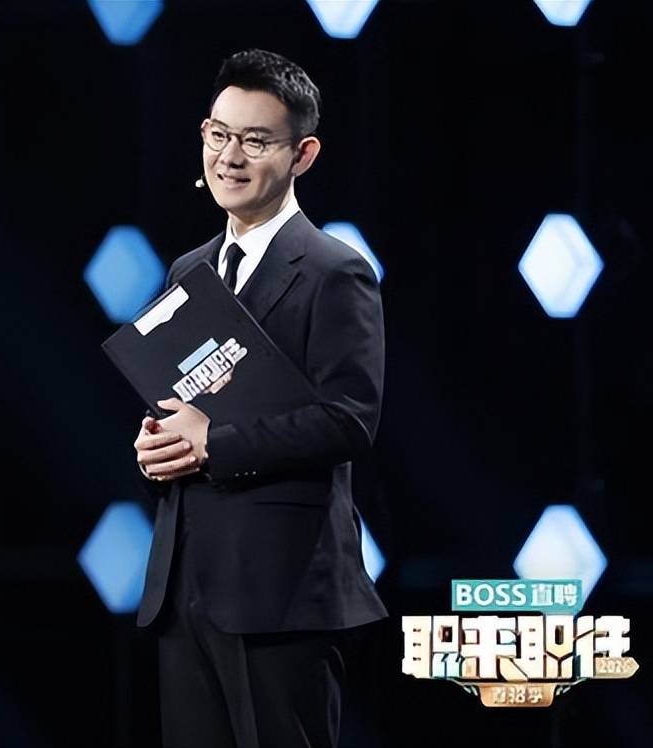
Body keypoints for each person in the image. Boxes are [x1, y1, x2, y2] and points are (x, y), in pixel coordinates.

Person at [132, 49, 387, 748]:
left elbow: (350, 420)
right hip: (186, 586)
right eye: (219, 134)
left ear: (303, 154)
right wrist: (156, 447)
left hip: (282, 590)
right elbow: (180, 400)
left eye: (254, 140)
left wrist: (213, 443)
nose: (230, 157)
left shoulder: (336, 271)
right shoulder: (189, 269)